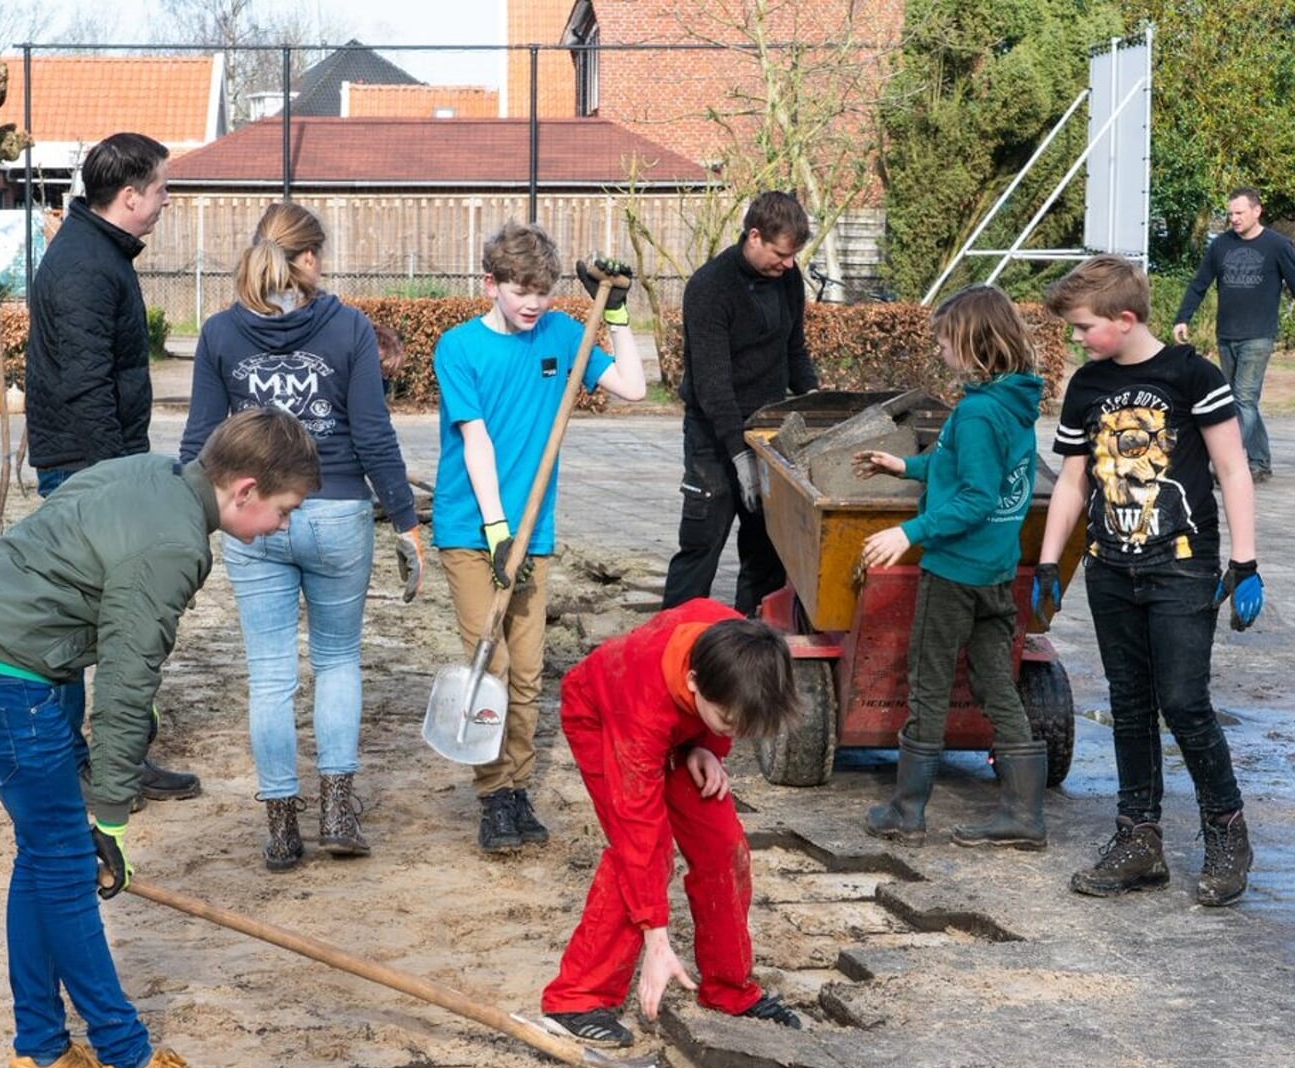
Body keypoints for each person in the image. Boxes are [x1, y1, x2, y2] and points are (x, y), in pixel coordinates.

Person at [0, 408, 319, 1068]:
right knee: (68, 865)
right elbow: (128, 684)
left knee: (44, 854)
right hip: (3, 671)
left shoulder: (149, 473)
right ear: (246, 489)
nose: (283, 527)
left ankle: (41, 1055)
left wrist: (83, 771)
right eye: (284, 511)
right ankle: (129, 1062)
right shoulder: (173, 543)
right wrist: (109, 815)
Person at [180, 203, 423, 873]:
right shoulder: (347, 327)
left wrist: (186, 513)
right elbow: (373, 433)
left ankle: (281, 824)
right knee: (339, 659)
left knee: (269, 673)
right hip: (339, 507)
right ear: (309, 258)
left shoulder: (221, 333)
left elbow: (200, 440)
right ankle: (338, 810)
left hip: (252, 515)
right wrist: (405, 518)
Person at [1037, 255, 1265, 908]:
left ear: (1124, 318)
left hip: (1182, 569)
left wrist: (1243, 562)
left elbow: (1231, 467)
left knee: (1183, 701)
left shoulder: (1193, 376)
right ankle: (1138, 839)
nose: (1078, 338)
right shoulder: (1085, 386)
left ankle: (1226, 830)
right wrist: (1052, 562)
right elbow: (1075, 480)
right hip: (1111, 571)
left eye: (1083, 327)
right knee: (1129, 704)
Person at [433, 222, 646, 852]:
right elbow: (476, 442)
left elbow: (634, 388)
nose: (532, 303)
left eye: (543, 291)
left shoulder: (561, 336)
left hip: (538, 532)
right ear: (490, 284)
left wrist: (619, 314)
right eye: (520, 289)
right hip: (474, 530)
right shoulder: (459, 347)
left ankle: (518, 788)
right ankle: (493, 794)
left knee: (527, 669)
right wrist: (499, 531)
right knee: (490, 664)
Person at [540, 600, 804, 1045]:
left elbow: (725, 712)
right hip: (603, 716)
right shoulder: (641, 706)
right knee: (646, 853)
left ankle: (728, 989)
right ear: (694, 682)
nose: (734, 733)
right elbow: (636, 828)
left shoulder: (741, 644)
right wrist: (656, 940)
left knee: (723, 843)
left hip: (685, 728)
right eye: (728, 723)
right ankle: (577, 998)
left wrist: (708, 745)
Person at [23, 131, 197, 803]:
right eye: (159, 190)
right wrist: (113, 485)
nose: (165, 201)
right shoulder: (84, 268)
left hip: (95, 465)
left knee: (112, 617)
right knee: (82, 621)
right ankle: (74, 765)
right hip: (86, 473)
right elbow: (84, 382)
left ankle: (109, 754)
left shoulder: (98, 253)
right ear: (128, 196)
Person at [851, 285, 1048, 850]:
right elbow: (956, 464)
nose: (939, 352)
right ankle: (1023, 816)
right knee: (994, 682)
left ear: (971, 342)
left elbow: (978, 496)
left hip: (956, 570)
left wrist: (908, 532)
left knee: (929, 681)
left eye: (944, 342)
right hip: (995, 570)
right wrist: (905, 465)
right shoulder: (1014, 402)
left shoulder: (979, 411)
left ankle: (907, 810)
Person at [661, 190, 820, 616]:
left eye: (793, 257)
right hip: (713, 437)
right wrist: (737, 453)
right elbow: (713, 386)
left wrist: (816, 404)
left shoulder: (787, 279)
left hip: (769, 428)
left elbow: (794, 350)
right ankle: (671, 638)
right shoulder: (709, 288)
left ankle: (749, 640)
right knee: (702, 543)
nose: (788, 265)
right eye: (781, 254)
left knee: (766, 549)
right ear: (754, 236)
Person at [1171, 187, 1295, 484]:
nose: (1234, 219)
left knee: (1244, 400)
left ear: (1256, 211)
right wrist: (1183, 317)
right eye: (1230, 214)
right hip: (1226, 335)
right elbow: (1200, 283)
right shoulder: (1221, 245)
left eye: (1239, 213)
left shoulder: (1278, 245)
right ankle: (1260, 462)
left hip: (1259, 336)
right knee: (1239, 401)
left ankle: (1228, 462)